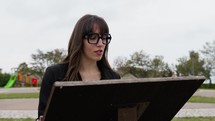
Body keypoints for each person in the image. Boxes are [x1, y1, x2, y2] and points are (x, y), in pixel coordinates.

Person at [36, 14, 121, 121]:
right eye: (93, 38)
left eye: (104, 38)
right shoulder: (55, 74)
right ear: (79, 40)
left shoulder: (114, 78)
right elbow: (43, 115)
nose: (101, 44)